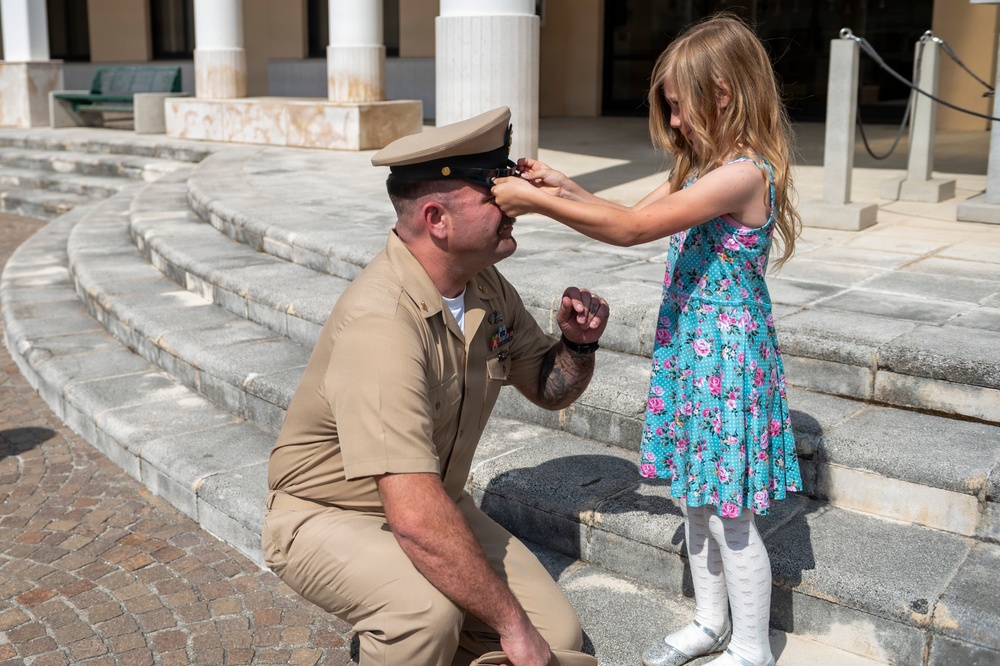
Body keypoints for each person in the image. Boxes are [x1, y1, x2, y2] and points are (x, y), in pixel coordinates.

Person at [492, 14, 802, 666]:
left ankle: (751, 649)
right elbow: (634, 215)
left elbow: (631, 233)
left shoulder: (742, 174)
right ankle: (708, 623)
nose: (676, 122)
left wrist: (533, 201)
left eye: (679, 105)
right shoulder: (702, 168)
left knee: (729, 518)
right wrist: (562, 185)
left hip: (727, 363)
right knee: (695, 505)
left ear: (721, 92)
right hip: (693, 358)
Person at [262, 106, 604, 666]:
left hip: (432, 502)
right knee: (425, 616)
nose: (513, 205)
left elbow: (549, 388)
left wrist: (578, 345)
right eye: (494, 194)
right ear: (437, 219)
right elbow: (415, 521)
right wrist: (513, 629)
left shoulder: (484, 287)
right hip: (327, 516)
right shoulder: (381, 325)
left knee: (559, 639)